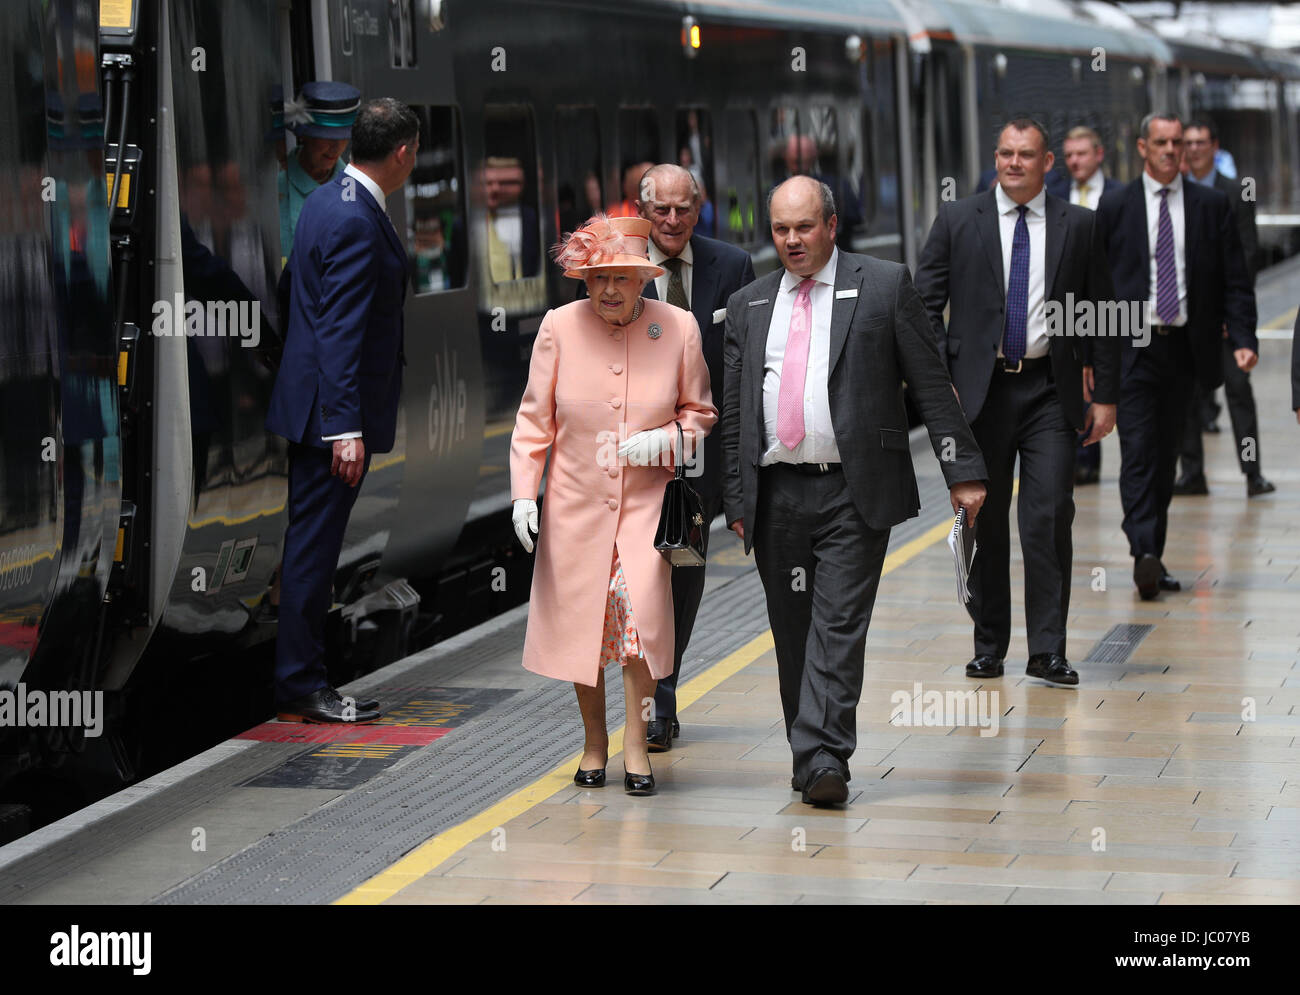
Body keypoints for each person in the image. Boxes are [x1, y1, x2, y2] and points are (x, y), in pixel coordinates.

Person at [722, 176, 987, 807]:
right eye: (781, 229)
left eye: (804, 227)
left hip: (852, 490)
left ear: (832, 226)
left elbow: (930, 383)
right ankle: (807, 750)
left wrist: (963, 469)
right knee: (793, 630)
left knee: (837, 623)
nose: (792, 240)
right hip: (777, 496)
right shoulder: (749, 304)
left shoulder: (884, 285)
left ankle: (826, 756)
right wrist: (736, 499)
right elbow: (735, 413)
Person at [510, 215, 716, 796]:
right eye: (596, 278)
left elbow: (700, 416)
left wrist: (667, 441)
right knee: (585, 631)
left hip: (647, 510)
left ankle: (635, 743)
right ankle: (593, 740)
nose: (607, 290)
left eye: (621, 279)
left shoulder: (677, 327)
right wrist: (525, 494)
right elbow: (533, 421)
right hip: (574, 509)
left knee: (638, 630)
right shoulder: (558, 327)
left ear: (644, 280)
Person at [915, 118, 1119, 689]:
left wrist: (1106, 395)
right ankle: (989, 646)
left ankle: (1047, 651)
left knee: (1049, 516)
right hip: (980, 395)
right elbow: (925, 305)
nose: (1013, 163)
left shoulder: (1079, 226)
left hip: (1049, 392)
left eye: (1026, 155)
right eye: (1004, 153)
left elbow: (1100, 314)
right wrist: (941, 380)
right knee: (983, 517)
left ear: (1047, 163)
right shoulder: (959, 220)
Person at [266, 98, 420, 722]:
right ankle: (302, 682)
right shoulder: (360, 220)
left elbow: (292, 296)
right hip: (329, 420)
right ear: (403, 153)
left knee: (309, 545)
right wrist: (345, 429)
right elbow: (341, 331)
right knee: (313, 549)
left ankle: (302, 674)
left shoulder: (327, 200)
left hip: (312, 408)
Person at [1096, 113, 1257, 600]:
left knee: (1167, 455)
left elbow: (1235, 278)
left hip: (1186, 348)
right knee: (1139, 450)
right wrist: (1088, 355)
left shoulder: (1211, 205)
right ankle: (1143, 549)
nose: (1171, 150)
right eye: (1161, 142)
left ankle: (1153, 554)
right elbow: (1095, 282)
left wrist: (1244, 337)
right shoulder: (1116, 204)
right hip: (1134, 346)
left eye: (1178, 143)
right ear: (1143, 147)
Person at [632, 163, 755, 752]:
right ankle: (648, 698)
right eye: (662, 210)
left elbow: (744, 371)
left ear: (698, 208)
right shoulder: (618, 264)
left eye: (685, 209)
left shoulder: (730, 266)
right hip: (633, 457)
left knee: (683, 579)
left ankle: (663, 696)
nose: (673, 221)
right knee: (638, 579)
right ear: (644, 210)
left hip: (700, 460)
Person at [1175, 119, 1274, 498]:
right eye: (1189, 143)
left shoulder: (1237, 193)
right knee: (1187, 397)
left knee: (1238, 390)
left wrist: (1233, 315)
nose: (1195, 148)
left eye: (1201, 142)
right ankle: (1192, 474)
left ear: (1215, 146)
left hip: (1226, 321)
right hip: (1185, 317)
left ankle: (1253, 474)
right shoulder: (1175, 194)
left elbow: (1248, 255)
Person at [1046, 125, 1124, 486]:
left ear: (1099, 154)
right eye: (1069, 154)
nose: (1074, 161)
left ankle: (1090, 457)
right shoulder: (1054, 194)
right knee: (1076, 379)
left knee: (1098, 379)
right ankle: (1079, 458)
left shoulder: (1120, 198)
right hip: (1065, 306)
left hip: (1109, 305)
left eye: (1082, 153)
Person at [278, 81, 361, 261]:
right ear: (303, 134)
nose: (336, 147)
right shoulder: (275, 185)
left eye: (344, 137)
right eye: (327, 136)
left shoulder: (357, 188)